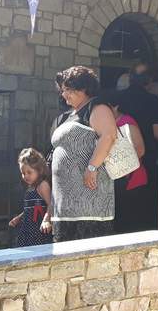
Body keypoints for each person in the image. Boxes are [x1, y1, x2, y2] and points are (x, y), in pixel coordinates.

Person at [50, 66, 119, 241]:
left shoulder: (97, 107)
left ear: (83, 88)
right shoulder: (68, 115)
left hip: (89, 206)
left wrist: (92, 167)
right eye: (62, 90)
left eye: (68, 89)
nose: (64, 94)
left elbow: (109, 135)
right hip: (65, 207)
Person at [117, 66, 158, 230]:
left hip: (117, 164)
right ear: (149, 81)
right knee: (145, 214)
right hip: (146, 161)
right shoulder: (153, 101)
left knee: (122, 214)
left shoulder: (118, 99)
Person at [103, 89, 149, 234]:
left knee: (130, 224)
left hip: (132, 179)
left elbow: (140, 150)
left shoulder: (127, 122)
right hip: (116, 180)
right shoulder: (106, 124)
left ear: (115, 106)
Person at [10, 148, 54, 246]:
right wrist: (19, 218)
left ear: (39, 170)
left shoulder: (42, 185)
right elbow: (31, 208)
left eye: (29, 172)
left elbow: (51, 204)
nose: (25, 176)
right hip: (28, 231)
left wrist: (46, 220)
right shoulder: (31, 187)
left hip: (39, 231)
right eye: (23, 173)